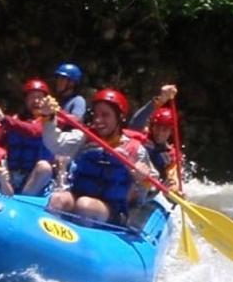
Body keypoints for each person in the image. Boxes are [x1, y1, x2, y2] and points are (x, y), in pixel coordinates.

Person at [39, 88, 158, 223]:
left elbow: (152, 189)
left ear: (119, 118)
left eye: (105, 115)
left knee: (85, 205)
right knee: (57, 199)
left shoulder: (135, 150)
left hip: (112, 211)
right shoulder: (85, 138)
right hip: (78, 196)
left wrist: (142, 178)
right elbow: (55, 143)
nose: (98, 120)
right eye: (96, 114)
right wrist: (49, 118)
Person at [0, 79, 54, 196]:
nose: (36, 101)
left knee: (44, 167)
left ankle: (23, 200)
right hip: (11, 174)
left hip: (34, 177)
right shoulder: (15, 119)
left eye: (40, 97)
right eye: (32, 97)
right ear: (25, 100)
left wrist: (4, 119)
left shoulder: (49, 121)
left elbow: (35, 131)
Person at [129, 85, 180, 192]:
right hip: (132, 179)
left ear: (171, 132)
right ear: (152, 126)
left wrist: (174, 188)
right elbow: (136, 121)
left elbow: (173, 176)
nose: (160, 133)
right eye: (158, 127)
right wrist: (162, 98)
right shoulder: (141, 137)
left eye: (165, 129)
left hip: (150, 189)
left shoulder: (170, 155)